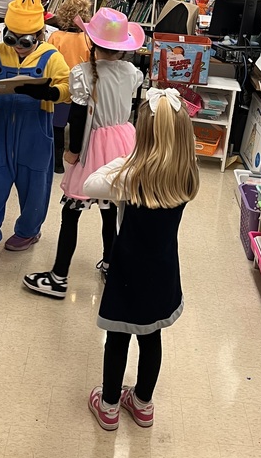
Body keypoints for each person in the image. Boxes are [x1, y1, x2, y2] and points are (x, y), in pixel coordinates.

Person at [83, 88, 199, 430]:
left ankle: (108, 406)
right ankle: (143, 404)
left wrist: (126, 160)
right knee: (152, 337)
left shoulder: (131, 177)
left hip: (128, 271)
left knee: (117, 338)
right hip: (163, 269)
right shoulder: (186, 172)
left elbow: (90, 184)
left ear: (142, 135)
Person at [23, 8, 143, 299]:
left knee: (72, 210)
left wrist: (72, 152)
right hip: (124, 142)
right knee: (111, 208)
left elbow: (78, 119)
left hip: (93, 147)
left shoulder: (83, 74)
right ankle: (110, 264)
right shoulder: (132, 72)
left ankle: (59, 276)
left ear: (91, 43)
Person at [0, 0, 70, 259]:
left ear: (39, 35)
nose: (17, 46)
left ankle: (29, 230)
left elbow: (69, 87)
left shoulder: (52, 56)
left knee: (35, 182)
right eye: (11, 38)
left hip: (35, 129)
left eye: (25, 41)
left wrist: (51, 93)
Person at [46, 0, 93, 172]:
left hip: (60, 89)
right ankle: (75, 158)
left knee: (57, 127)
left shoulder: (55, 37)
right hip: (80, 92)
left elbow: (49, 63)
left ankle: (57, 163)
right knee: (77, 126)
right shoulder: (88, 40)